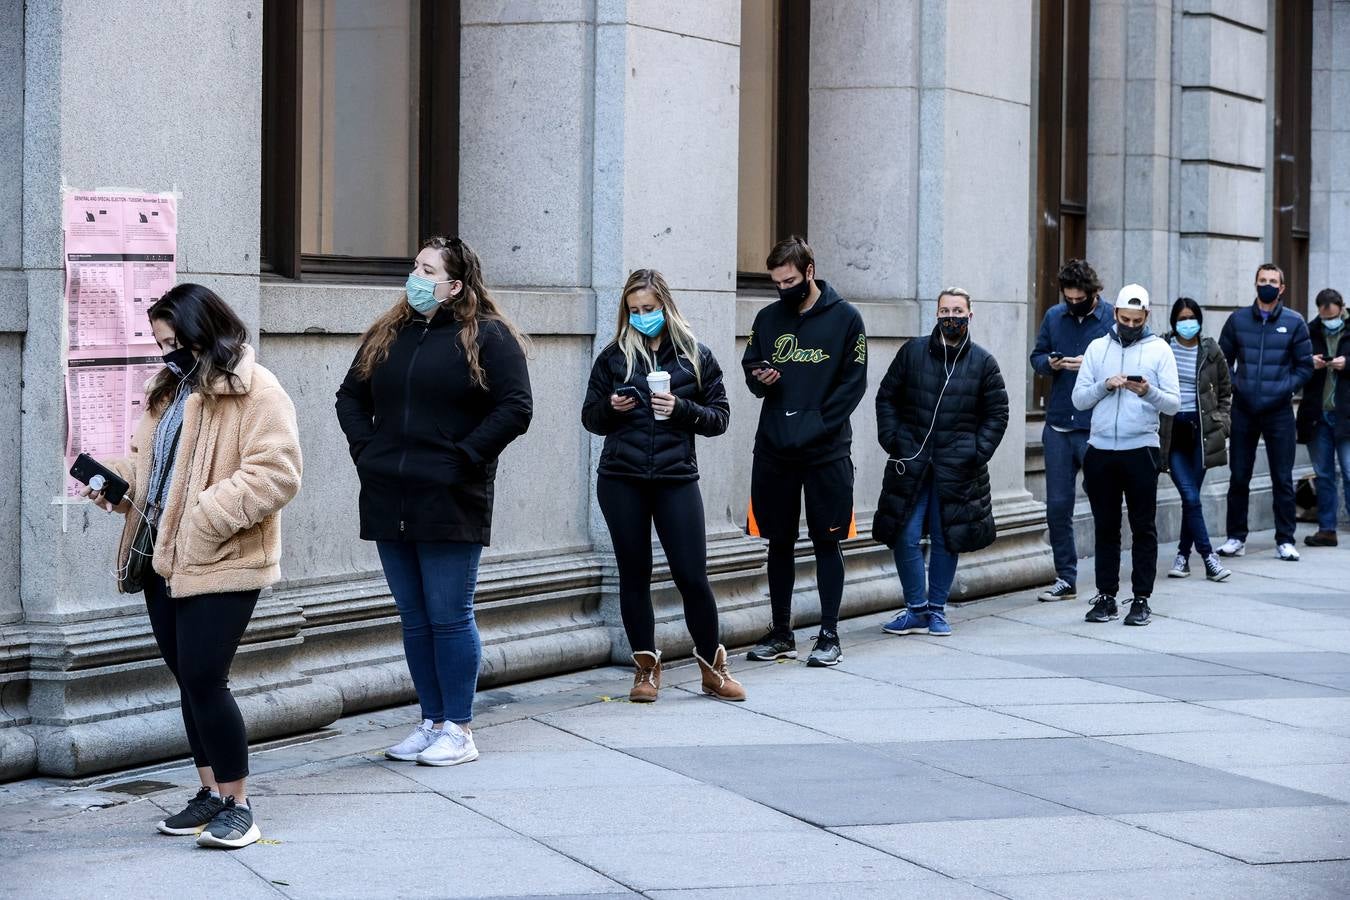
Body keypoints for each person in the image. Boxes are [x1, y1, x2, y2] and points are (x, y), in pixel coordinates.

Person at [82, 283, 303, 849]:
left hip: (222, 557)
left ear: (206, 331)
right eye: (161, 344)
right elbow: (146, 463)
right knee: (188, 680)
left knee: (206, 677)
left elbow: (277, 473)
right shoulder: (170, 389)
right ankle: (209, 793)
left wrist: (204, 517)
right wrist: (114, 482)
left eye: (176, 342)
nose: (168, 354)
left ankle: (239, 806)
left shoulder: (256, 390)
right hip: (161, 557)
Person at [336, 236, 532, 768]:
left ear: (455, 285)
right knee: (414, 618)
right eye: (415, 267)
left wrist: (462, 458)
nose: (415, 277)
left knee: (448, 615)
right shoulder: (389, 332)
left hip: (450, 495)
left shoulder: (487, 336)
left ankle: (459, 727)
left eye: (427, 270)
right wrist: (366, 451)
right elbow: (350, 396)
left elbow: (515, 408)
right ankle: (430, 719)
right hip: (388, 492)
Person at [581, 269, 744, 702]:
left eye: (649, 309)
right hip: (621, 478)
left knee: (692, 575)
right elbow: (590, 418)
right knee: (634, 575)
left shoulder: (696, 356)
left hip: (676, 478)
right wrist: (612, 407)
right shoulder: (614, 357)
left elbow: (720, 418)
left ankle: (713, 667)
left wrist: (681, 408)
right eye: (634, 311)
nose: (641, 317)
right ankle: (645, 671)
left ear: (666, 307)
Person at [742, 236, 868, 667]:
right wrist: (761, 378)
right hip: (775, 447)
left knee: (827, 540)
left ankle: (829, 634)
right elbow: (750, 369)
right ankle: (781, 632)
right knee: (778, 541)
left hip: (826, 451)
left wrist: (815, 424)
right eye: (776, 282)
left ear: (809, 271)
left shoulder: (847, 318)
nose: (783, 289)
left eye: (790, 280)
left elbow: (854, 384)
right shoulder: (766, 318)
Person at [874, 289, 1009, 636]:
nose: (952, 316)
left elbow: (997, 413)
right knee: (904, 535)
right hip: (913, 463)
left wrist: (977, 451)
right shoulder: (912, 352)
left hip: (958, 469)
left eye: (959, 310)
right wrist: (894, 439)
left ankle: (936, 610)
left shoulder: (983, 363)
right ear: (936, 314)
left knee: (947, 537)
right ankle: (915, 609)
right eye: (945, 310)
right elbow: (887, 396)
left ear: (970, 314)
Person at [1072, 284, 1180, 626]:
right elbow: (1078, 400)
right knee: (1105, 527)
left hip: (1141, 449)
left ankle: (1142, 598)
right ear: (1115, 314)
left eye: (1136, 319)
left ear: (1146, 316)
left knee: (1142, 526)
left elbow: (1174, 404)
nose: (1130, 325)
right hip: (1101, 449)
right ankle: (1106, 595)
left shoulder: (1159, 349)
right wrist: (1105, 385)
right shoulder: (1096, 348)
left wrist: (1147, 391)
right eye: (1124, 318)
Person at [1029, 259, 1114, 601]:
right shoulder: (1054, 316)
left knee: (1103, 505)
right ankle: (1066, 577)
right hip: (1060, 422)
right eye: (1069, 298)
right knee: (1057, 507)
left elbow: (1124, 362)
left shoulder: (1110, 318)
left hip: (1096, 425)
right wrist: (1050, 364)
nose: (1074, 304)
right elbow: (1036, 358)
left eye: (1080, 299)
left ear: (1093, 294)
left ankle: (1107, 583)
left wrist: (1090, 366)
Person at [1217, 263, 1314, 561]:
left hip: (1279, 412)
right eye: (1262, 280)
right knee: (1239, 477)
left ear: (1282, 288)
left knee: (1282, 478)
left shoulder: (1294, 322)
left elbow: (1305, 366)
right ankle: (1236, 537)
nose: (1267, 285)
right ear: (1255, 284)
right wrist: (1237, 386)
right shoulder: (1237, 320)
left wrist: (1285, 387)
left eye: (1273, 281)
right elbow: (1223, 362)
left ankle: (1285, 539)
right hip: (1244, 410)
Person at [1160, 298, 1233, 581]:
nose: (1187, 323)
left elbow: (1226, 391)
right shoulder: (1163, 347)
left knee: (1192, 500)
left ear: (1199, 320)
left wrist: (1222, 423)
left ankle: (1182, 557)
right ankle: (1208, 557)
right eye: (1182, 318)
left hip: (1202, 435)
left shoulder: (1211, 350)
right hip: (1173, 433)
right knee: (1190, 496)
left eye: (1192, 317)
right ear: (1174, 322)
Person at [1297, 288, 1350, 546]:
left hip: (1346, 415)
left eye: (1332, 313)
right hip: (1317, 415)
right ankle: (1327, 529)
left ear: (1341, 308)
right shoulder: (1308, 331)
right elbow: (1294, 364)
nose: (1328, 318)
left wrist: (1346, 363)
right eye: (1323, 313)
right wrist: (1310, 362)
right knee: (1324, 475)